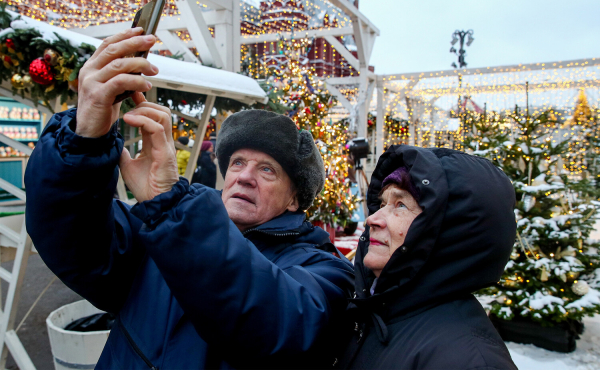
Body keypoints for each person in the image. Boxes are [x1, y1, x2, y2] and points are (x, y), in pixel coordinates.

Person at [24, 28, 354, 369]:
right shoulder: (160, 230)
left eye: (267, 170)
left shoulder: (326, 271)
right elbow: (71, 240)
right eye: (237, 163)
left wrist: (171, 205)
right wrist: (83, 141)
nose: (243, 175)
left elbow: (278, 328)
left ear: (295, 201)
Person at [338, 145, 518, 369]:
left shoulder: (468, 361)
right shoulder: (376, 315)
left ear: (447, 231)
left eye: (401, 205)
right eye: (382, 204)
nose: (372, 219)